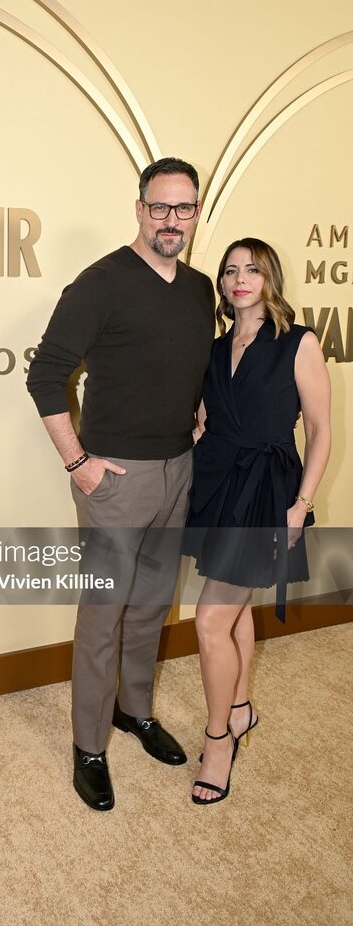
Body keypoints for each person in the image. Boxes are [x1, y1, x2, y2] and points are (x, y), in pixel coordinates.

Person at [26, 157, 215, 810]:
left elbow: (180, 362)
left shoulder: (199, 290)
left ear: (196, 212)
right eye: (160, 207)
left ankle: (134, 711)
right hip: (115, 479)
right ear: (139, 209)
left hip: (178, 471)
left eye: (184, 208)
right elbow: (44, 377)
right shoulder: (99, 283)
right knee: (103, 616)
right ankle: (88, 746)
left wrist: (195, 408)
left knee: (152, 606)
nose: (171, 220)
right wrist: (77, 462)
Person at [185, 238, 331, 805]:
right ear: (222, 283)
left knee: (209, 621)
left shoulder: (299, 342)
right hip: (218, 484)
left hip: (266, 491)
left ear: (270, 277)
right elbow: (206, 420)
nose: (239, 278)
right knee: (236, 607)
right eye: (230, 270)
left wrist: (301, 504)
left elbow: (319, 430)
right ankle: (240, 707)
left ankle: (218, 740)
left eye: (252, 269)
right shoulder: (216, 347)